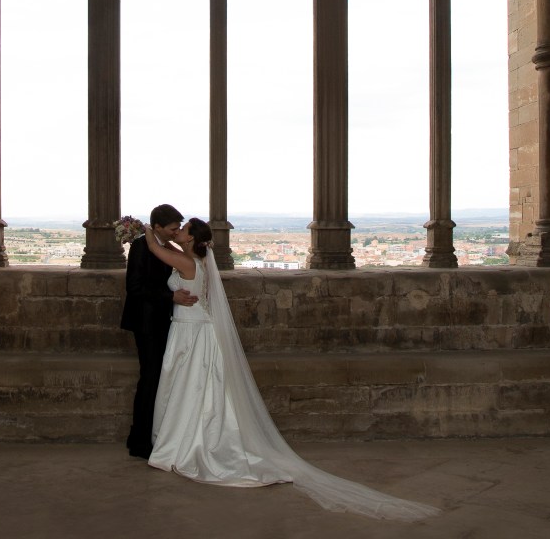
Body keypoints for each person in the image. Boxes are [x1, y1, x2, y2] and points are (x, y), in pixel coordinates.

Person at [144, 218, 438, 522]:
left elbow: (155, 247)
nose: (178, 231)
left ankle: (183, 443)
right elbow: (170, 247)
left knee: (190, 388)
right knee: (196, 389)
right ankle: (188, 438)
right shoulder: (197, 260)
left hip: (191, 333)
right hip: (196, 331)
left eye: (183, 229)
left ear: (191, 239)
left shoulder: (185, 261)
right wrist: (167, 237)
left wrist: (140, 228)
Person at [120, 203, 198, 459]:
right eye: (173, 228)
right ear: (157, 227)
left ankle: (150, 435)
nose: (176, 232)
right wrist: (170, 297)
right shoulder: (141, 247)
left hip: (162, 321)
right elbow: (134, 287)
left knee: (157, 378)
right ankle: (140, 441)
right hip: (145, 323)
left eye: (178, 228)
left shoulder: (165, 245)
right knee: (150, 377)